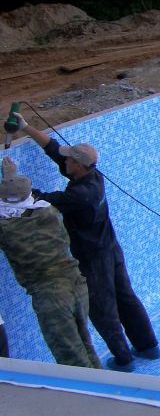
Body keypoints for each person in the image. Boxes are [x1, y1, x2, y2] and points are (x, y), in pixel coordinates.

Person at [11, 114, 159, 370]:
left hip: (93, 258)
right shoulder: (93, 175)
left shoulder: (79, 195)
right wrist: (26, 127)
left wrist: (12, 183)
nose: (65, 160)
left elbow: (39, 199)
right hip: (111, 248)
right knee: (126, 297)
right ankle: (148, 346)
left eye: (69, 159)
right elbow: (55, 150)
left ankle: (123, 360)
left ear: (78, 165)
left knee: (102, 310)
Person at [0, 157, 101, 368]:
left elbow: (11, 206)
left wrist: (8, 181)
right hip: (76, 283)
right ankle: (105, 384)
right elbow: (18, 200)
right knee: (85, 345)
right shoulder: (49, 212)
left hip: (52, 295)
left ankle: (87, 389)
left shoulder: (6, 227)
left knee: (71, 359)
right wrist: (10, 177)